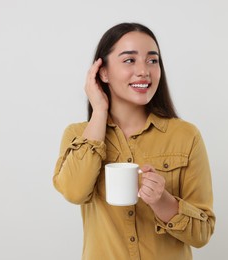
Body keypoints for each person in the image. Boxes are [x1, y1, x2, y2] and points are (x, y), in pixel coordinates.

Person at [53, 22, 215, 260]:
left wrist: (163, 201)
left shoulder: (186, 136)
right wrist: (99, 111)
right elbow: (74, 192)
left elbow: (202, 234)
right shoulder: (78, 135)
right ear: (103, 72)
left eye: (152, 60)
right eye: (129, 60)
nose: (144, 71)